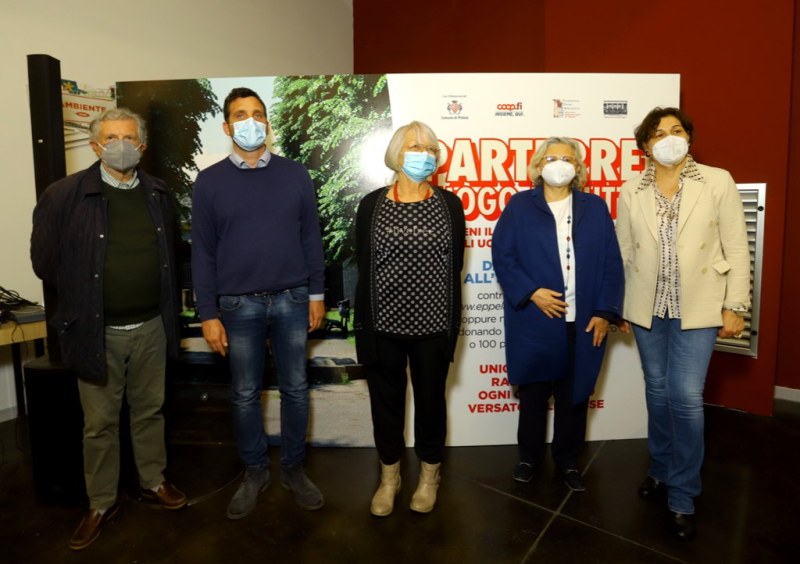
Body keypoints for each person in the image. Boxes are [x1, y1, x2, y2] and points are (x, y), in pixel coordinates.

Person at [31, 108, 187, 551]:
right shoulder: (64, 195)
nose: (121, 145)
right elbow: (44, 261)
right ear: (95, 145)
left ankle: (153, 481)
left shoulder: (158, 192)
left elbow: (170, 255)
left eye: (129, 137)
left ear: (142, 145)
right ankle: (101, 502)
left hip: (152, 327)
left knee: (150, 411)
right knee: (99, 424)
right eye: (112, 137)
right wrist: (86, 297)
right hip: (96, 331)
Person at [191, 87, 326, 519]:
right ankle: (254, 472)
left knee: (296, 390)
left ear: (267, 122)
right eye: (240, 115)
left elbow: (311, 238)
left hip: (293, 298)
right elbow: (203, 253)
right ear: (227, 126)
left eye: (257, 113)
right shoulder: (209, 182)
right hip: (237, 306)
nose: (250, 121)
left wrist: (317, 294)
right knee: (245, 394)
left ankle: (293, 469)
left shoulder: (295, 174)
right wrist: (208, 313)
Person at [616, 107, 750, 541]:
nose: (669, 138)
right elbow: (624, 252)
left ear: (689, 138)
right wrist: (620, 306)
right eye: (659, 133)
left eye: (677, 130)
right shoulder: (631, 189)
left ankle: (683, 492)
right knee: (657, 391)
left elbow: (736, 245)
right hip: (647, 308)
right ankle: (660, 468)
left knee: (686, 397)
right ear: (645, 145)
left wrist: (736, 305)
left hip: (700, 305)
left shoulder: (717, 180)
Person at [492, 137, 623, 493]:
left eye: (568, 158)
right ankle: (528, 457)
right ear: (538, 166)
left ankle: (568, 461)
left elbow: (611, 263)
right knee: (533, 394)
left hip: (583, 321)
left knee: (574, 395)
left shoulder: (594, 207)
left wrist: (605, 312)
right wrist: (531, 292)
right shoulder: (520, 205)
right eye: (551, 158)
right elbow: (503, 255)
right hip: (535, 318)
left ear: (578, 167)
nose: (560, 164)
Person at [354, 121, 465, 516]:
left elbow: (454, 267)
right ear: (396, 154)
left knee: (431, 404)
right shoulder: (372, 204)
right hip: (383, 324)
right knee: (386, 406)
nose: (424, 154)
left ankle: (430, 476)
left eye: (430, 148)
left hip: (433, 326)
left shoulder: (450, 204)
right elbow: (365, 266)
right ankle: (390, 478)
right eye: (415, 147)